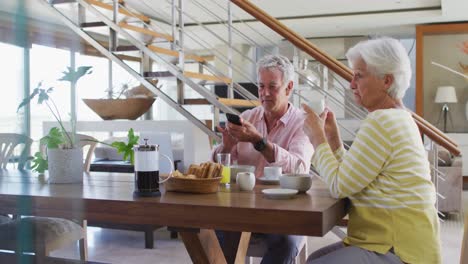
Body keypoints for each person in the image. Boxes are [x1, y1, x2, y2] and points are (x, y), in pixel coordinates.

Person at [302, 37, 441, 264]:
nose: (351, 84)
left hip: (397, 248)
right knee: (314, 258)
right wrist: (334, 141)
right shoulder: (400, 117)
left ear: (386, 81)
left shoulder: (382, 121)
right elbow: (352, 179)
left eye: (359, 75)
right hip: (407, 243)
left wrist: (317, 139)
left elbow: (339, 186)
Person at [212, 54, 314, 264]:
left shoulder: (303, 124)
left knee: (285, 243)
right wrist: (227, 147)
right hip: (244, 208)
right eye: (261, 86)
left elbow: (300, 168)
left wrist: (259, 141)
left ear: (289, 88)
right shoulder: (248, 118)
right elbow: (218, 168)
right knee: (213, 232)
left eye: (273, 87)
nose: (265, 93)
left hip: (285, 211)